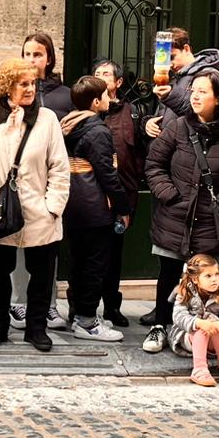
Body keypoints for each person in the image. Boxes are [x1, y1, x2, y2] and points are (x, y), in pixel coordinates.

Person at [142, 70, 219, 354]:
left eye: (203, 91)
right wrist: (169, 194)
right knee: (168, 273)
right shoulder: (178, 127)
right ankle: (160, 325)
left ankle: (215, 332)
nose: (195, 95)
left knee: (209, 280)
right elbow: (154, 164)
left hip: (210, 221)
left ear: (218, 98)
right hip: (175, 216)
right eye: (194, 90)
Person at [0, 58, 70, 352]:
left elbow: (60, 167)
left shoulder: (47, 119)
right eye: (23, 83)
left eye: (32, 83)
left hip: (39, 210)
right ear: (7, 86)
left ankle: (36, 328)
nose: (30, 89)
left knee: (42, 274)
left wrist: (52, 207)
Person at [10, 31, 71, 333]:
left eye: (37, 54)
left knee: (49, 247)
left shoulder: (64, 95)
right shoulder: (12, 92)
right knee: (20, 243)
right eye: (27, 54)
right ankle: (19, 302)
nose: (32, 60)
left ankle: (48, 305)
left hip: (51, 181)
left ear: (49, 58)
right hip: (22, 180)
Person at [61, 75, 129, 342]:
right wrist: (123, 207)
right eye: (106, 95)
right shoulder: (98, 131)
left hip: (73, 205)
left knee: (79, 262)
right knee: (95, 264)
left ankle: (79, 312)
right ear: (95, 101)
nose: (111, 99)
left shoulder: (67, 125)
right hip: (95, 207)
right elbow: (108, 175)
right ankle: (87, 321)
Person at [93, 57, 145, 329]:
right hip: (91, 195)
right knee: (90, 255)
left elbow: (139, 153)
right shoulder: (86, 110)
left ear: (118, 82)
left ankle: (112, 307)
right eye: (97, 73)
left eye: (106, 74)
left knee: (114, 256)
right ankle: (82, 307)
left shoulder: (132, 113)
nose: (101, 77)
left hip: (122, 195)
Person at [144, 26, 219, 139]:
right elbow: (164, 114)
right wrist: (149, 122)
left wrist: (169, 96)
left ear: (186, 49)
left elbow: (202, 113)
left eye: (172, 57)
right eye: (166, 59)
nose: (170, 64)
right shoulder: (176, 76)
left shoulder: (208, 73)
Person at [171, 253, 219, 387]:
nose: (214, 279)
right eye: (208, 276)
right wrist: (198, 323)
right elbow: (178, 315)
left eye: (216, 274)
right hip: (189, 339)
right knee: (202, 330)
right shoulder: (184, 291)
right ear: (195, 279)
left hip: (214, 338)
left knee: (218, 327)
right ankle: (199, 369)